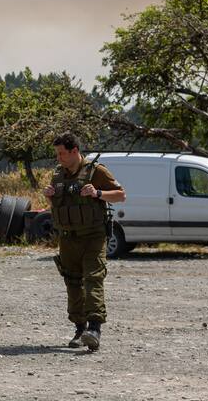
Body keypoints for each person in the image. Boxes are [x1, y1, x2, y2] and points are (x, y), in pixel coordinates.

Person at [43, 132, 126, 351]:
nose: (58, 158)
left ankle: (94, 329)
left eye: (62, 153)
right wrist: (49, 195)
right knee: (72, 282)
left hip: (92, 237)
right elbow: (59, 204)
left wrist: (98, 193)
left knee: (93, 279)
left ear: (74, 151)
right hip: (67, 238)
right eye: (57, 154)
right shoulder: (58, 174)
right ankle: (80, 329)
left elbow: (121, 195)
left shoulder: (96, 171)